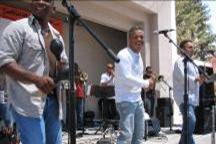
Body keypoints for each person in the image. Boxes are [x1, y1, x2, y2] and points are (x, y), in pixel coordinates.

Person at [0, 0, 68, 144]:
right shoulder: (17, 28)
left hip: (54, 102)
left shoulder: (57, 36)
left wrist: (65, 69)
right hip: (27, 101)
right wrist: (36, 79)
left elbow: (63, 64)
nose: (40, 1)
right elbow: (4, 62)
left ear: (53, 9)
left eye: (46, 0)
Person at [115, 25, 156, 144]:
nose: (139, 40)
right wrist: (146, 83)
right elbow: (127, 77)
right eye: (136, 37)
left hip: (137, 100)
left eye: (142, 37)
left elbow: (136, 78)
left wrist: (148, 84)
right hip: (125, 100)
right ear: (129, 39)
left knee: (138, 136)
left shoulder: (138, 56)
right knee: (126, 136)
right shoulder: (123, 54)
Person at [173, 40, 205, 144]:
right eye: (189, 47)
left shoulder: (193, 63)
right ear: (182, 49)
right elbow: (183, 77)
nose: (192, 49)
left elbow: (196, 83)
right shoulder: (180, 62)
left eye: (192, 47)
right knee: (191, 120)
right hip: (183, 97)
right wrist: (196, 79)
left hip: (192, 98)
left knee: (188, 125)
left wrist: (201, 80)